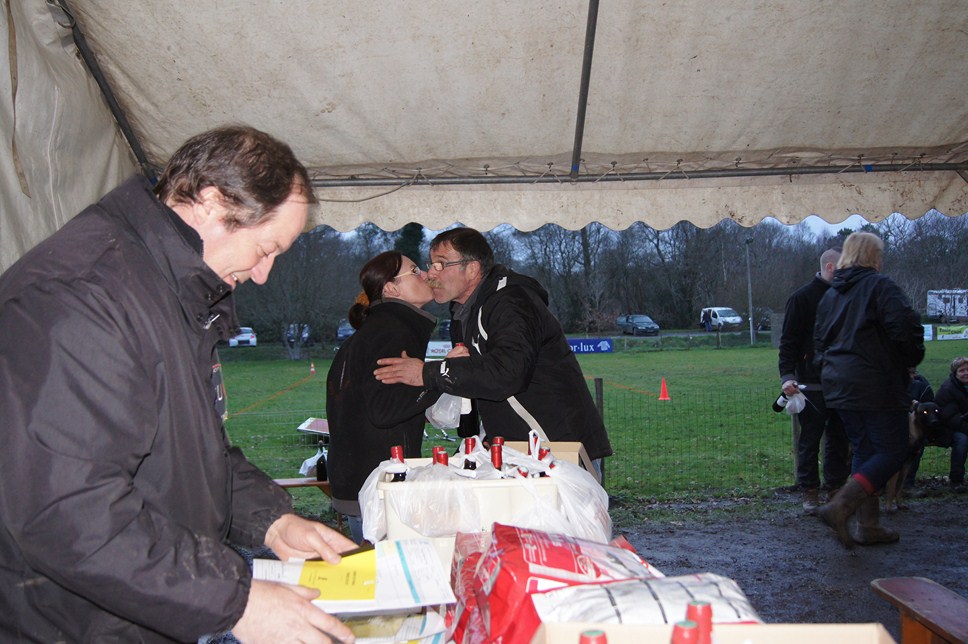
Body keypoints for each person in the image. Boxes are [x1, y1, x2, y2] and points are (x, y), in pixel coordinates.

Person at [0, 126, 357, 643]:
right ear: (212, 203)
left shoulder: (167, 290)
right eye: (265, 248)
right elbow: (65, 511)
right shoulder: (83, 298)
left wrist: (272, 522)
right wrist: (232, 602)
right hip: (70, 624)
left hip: (141, 609)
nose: (263, 275)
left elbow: (190, 448)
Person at [373, 227, 612, 471]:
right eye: (431, 263)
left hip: (560, 448)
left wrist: (426, 373)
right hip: (520, 452)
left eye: (441, 264)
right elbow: (480, 384)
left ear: (473, 268)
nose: (430, 273)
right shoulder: (462, 314)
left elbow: (508, 372)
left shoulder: (512, 301)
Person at [814, 232, 925, 548]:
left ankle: (869, 525)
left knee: (864, 452)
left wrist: (832, 371)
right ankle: (841, 506)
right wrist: (909, 360)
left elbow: (819, 343)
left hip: (839, 386)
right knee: (892, 451)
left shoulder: (831, 295)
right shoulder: (881, 287)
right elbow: (906, 329)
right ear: (873, 256)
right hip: (877, 383)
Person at [326, 251, 442, 542]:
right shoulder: (393, 331)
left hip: (358, 482)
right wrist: (438, 378)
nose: (426, 274)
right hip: (378, 490)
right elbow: (385, 411)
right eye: (415, 270)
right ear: (391, 288)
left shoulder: (375, 331)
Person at [777, 248, 850, 514]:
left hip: (842, 382)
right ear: (831, 266)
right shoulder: (802, 298)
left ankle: (836, 488)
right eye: (845, 266)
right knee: (809, 439)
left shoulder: (847, 296)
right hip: (811, 383)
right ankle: (809, 490)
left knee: (840, 439)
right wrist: (788, 376)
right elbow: (789, 342)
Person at [931, 357, 968, 493]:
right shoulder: (948, 389)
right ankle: (956, 480)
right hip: (945, 428)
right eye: (962, 370)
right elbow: (951, 418)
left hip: (963, 425)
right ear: (955, 373)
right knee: (962, 440)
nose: (966, 373)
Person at [901, 367, 936, 495]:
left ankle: (907, 484)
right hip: (892, 430)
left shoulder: (922, 387)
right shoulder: (887, 386)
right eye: (907, 373)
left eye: (913, 372)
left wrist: (918, 407)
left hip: (916, 430)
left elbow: (929, 409)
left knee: (916, 445)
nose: (911, 376)